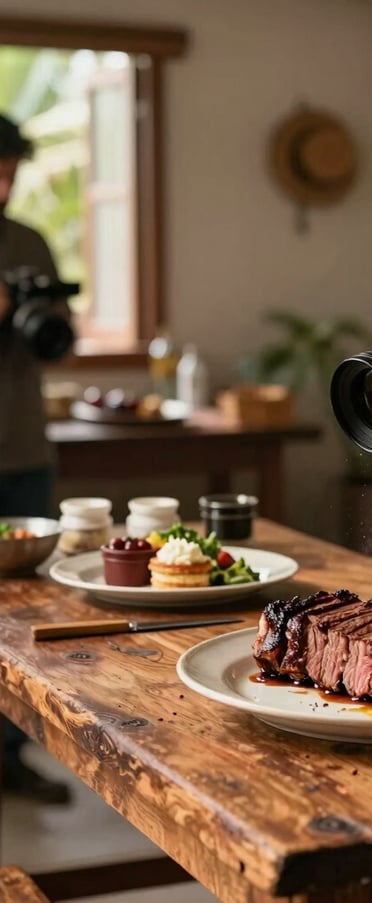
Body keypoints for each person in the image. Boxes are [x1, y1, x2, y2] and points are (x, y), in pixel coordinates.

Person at [0, 113, 72, 804]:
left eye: (12, 168)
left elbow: (56, 340)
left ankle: (10, 755)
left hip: (22, 446)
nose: (4, 180)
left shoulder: (30, 242)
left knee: (26, 611)